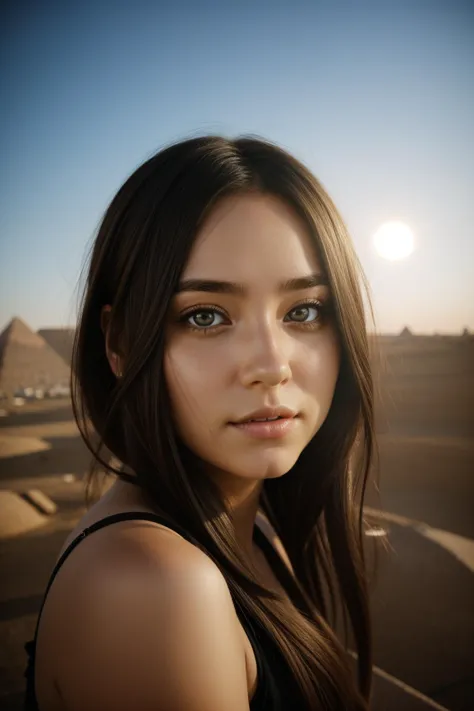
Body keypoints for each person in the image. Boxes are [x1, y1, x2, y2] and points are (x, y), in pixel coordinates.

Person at [24, 135, 377, 711]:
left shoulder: (253, 531)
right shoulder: (156, 589)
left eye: (304, 311)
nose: (271, 365)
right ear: (118, 344)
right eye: (206, 315)